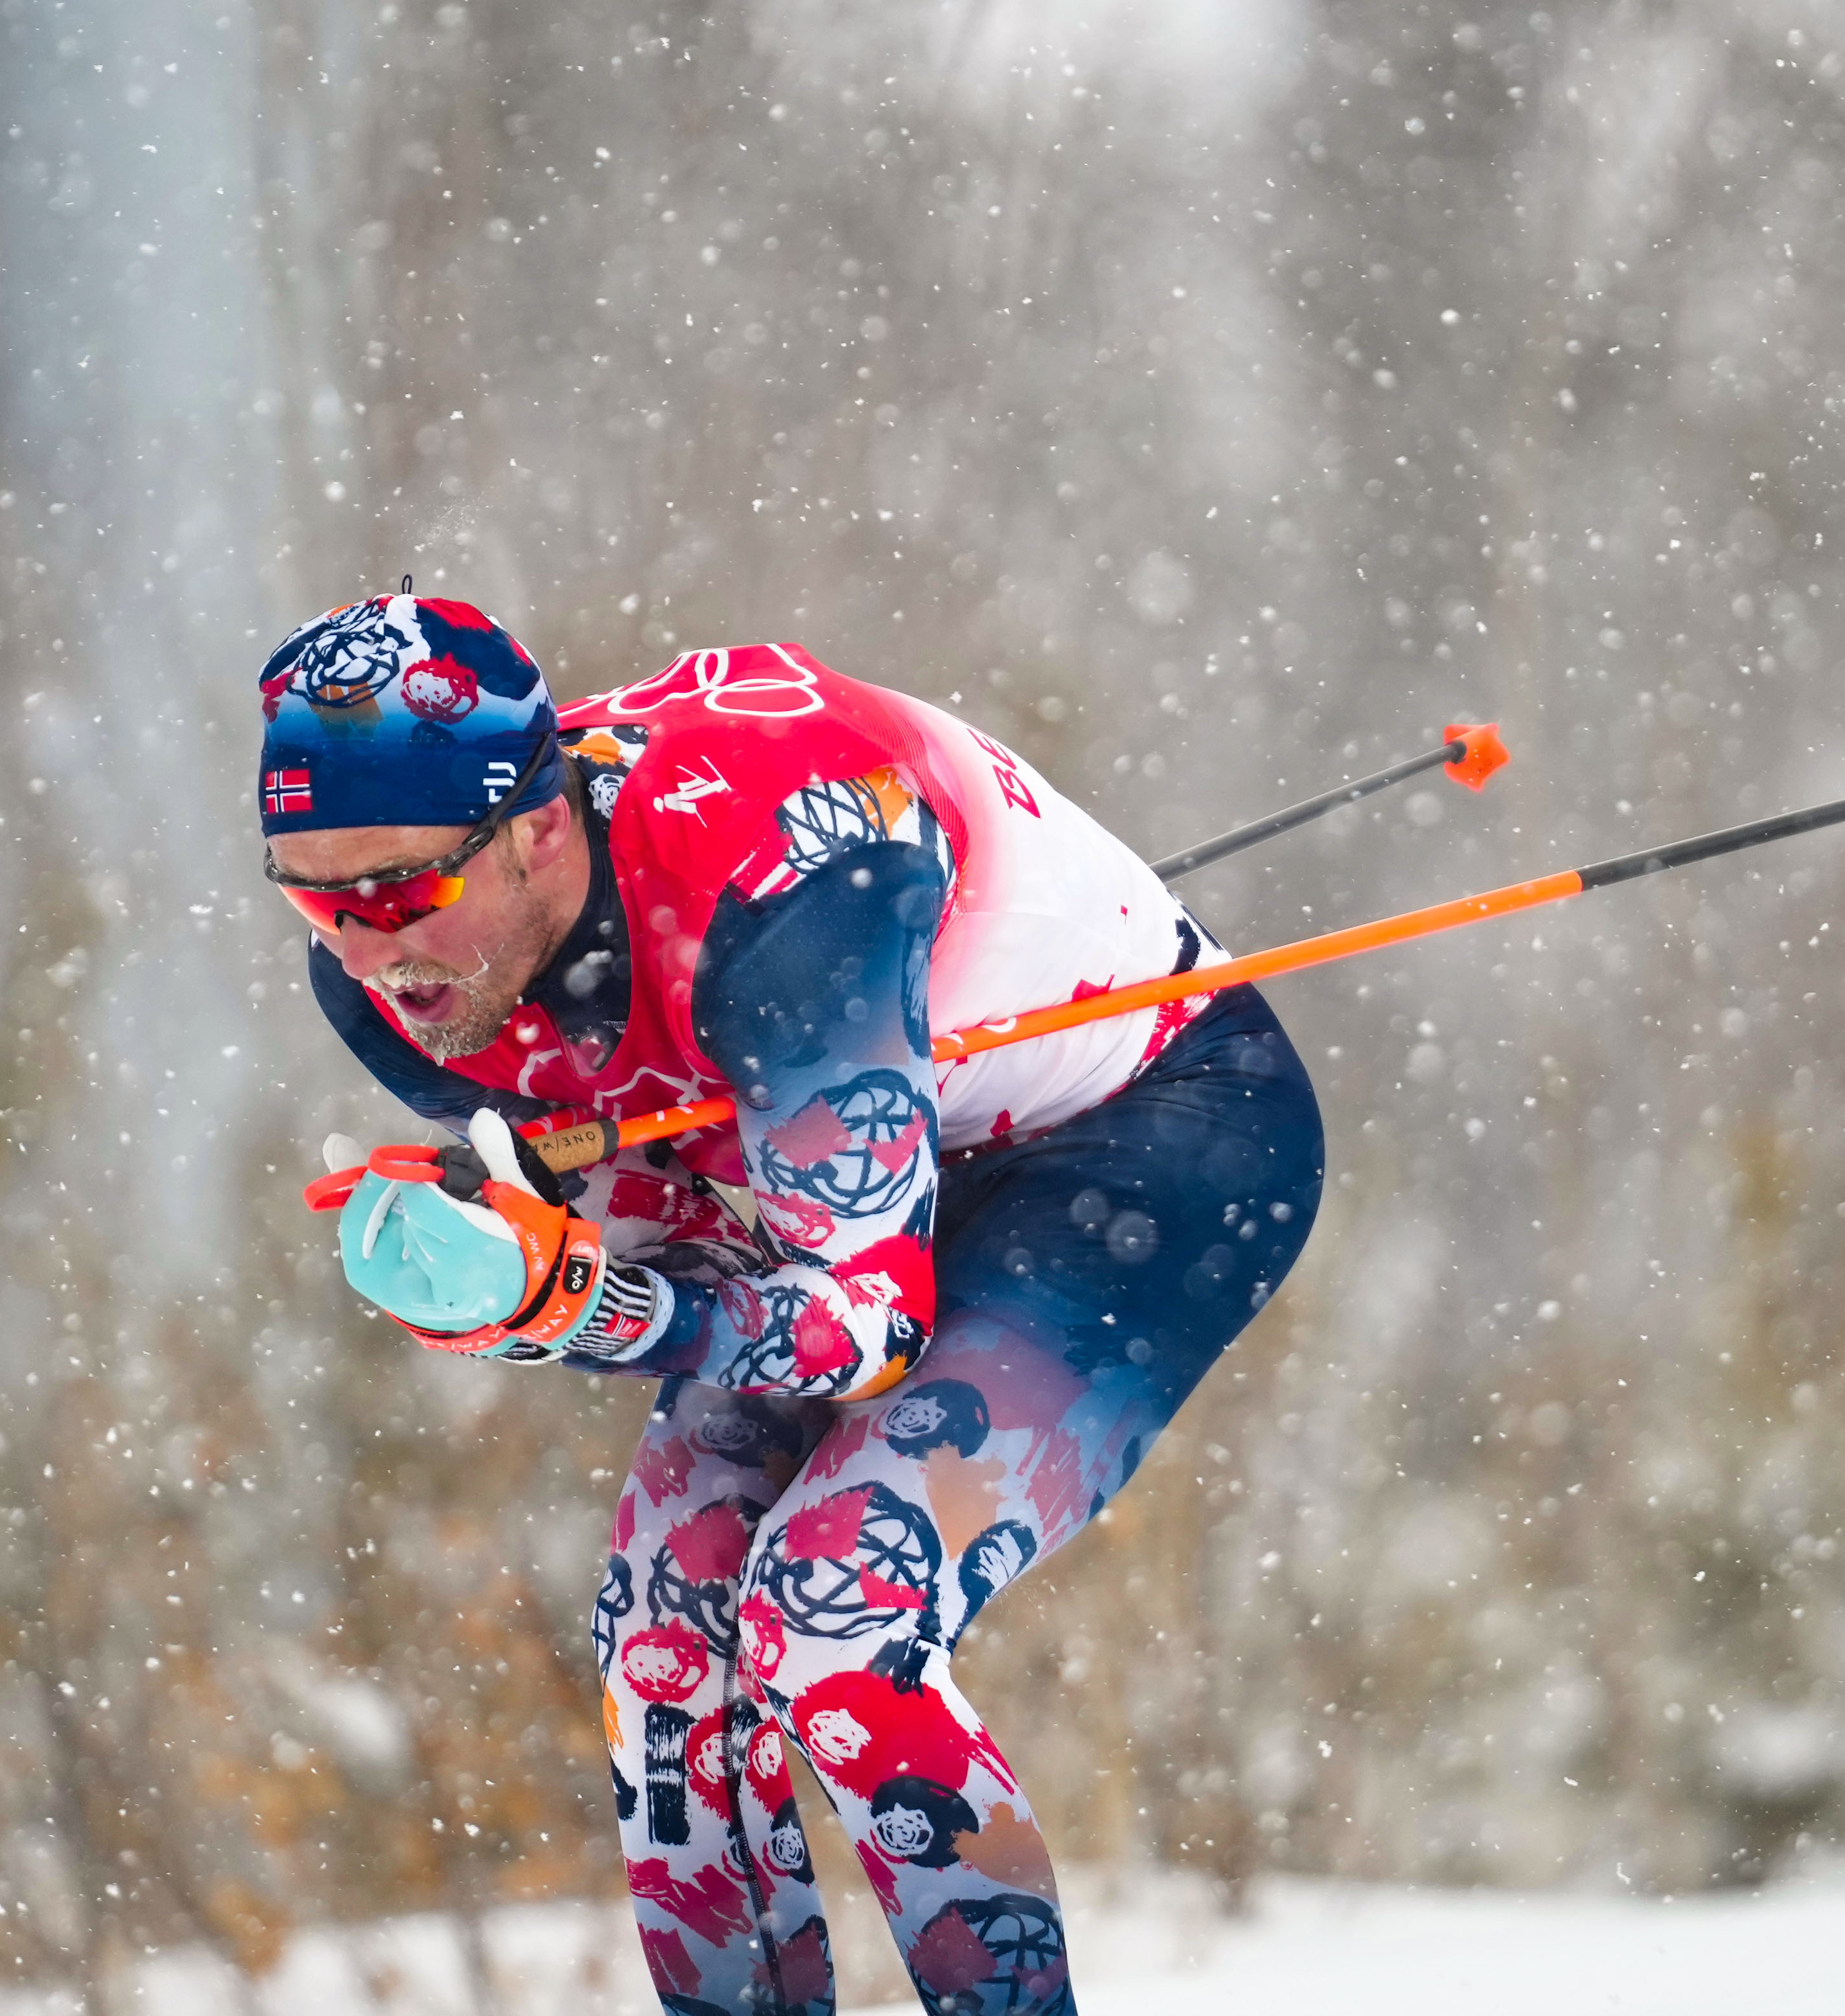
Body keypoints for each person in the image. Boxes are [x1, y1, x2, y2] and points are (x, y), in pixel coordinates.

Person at [254, 590, 1324, 2016]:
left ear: (538, 827)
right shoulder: (396, 984)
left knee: (838, 1614)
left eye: (396, 894)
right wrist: (516, 1259)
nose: (368, 950)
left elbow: (860, 1326)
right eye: (314, 897)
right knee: (662, 1627)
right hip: (855, 1169)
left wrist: (563, 1300)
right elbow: (693, 1263)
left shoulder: (789, 897)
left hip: (1147, 1137)